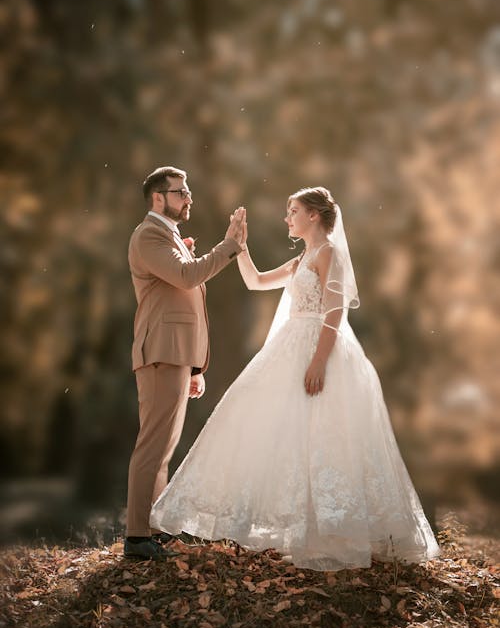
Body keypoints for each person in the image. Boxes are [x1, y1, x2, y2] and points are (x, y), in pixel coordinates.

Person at [150, 186, 440, 571]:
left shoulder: (329, 254)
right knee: (272, 421)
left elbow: (335, 312)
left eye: (293, 211)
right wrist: (238, 245)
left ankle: (332, 533)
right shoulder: (302, 259)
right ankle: (303, 529)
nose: (287, 218)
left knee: (325, 434)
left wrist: (319, 361)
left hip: (321, 349)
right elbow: (255, 281)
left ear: (314, 216)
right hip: (290, 348)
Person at [124, 165, 246, 560]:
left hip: (176, 354)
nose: (188, 197)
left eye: (188, 191)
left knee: (164, 447)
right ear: (158, 198)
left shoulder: (169, 235)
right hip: (159, 351)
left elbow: (181, 294)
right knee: (152, 445)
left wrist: (194, 366)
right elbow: (185, 276)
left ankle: (151, 531)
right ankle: (137, 537)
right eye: (180, 192)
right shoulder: (148, 234)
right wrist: (227, 246)